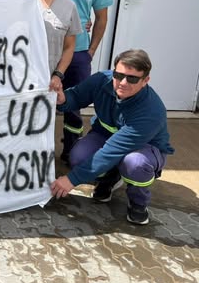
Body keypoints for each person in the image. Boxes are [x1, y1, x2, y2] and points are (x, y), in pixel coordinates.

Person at [50, 49, 174, 225]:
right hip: (105, 136)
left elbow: (112, 151)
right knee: (79, 156)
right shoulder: (102, 80)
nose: (123, 82)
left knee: (135, 164)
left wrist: (71, 179)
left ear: (145, 80)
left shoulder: (151, 110)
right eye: (118, 75)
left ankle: (138, 203)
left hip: (144, 148)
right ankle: (110, 179)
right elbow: (77, 96)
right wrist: (63, 99)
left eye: (132, 78)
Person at [57, 0, 113, 162]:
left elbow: (101, 18)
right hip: (48, 51)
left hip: (79, 52)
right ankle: (37, 152)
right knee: (41, 102)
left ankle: (71, 150)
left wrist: (91, 51)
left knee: (74, 105)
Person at [30, 0, 81, 91]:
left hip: (49, 83)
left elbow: (69, 47)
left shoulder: (69, 6)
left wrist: (58, 75)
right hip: (18, 81)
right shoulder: (21, 1)